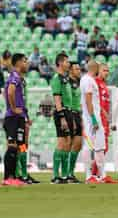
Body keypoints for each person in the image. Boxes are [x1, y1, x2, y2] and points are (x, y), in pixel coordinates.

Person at [2, 53, 30, 186]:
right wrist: (12, 108)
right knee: (12, 145)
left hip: (19, 117)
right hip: (13, 117)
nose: (27, 64)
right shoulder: (14, 76)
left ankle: (17, 175)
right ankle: (8, 177)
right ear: (18, 63)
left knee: (21, 146)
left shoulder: (19, 78)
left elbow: (6, 92)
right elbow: (10, 91)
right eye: (25, 61)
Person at [81, 60, 105, 184]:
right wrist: (93, 118)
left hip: (94, 116)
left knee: (97, 146)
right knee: (89, 145)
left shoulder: (89, 80)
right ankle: (88, 175)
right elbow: (88, 101)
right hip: (90, 118)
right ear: (95, 68)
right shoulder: (88, 80)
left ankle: (100, 175)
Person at [50, 53, 72, 184]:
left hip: (67, 111)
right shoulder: (56, 78)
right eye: (66, 62)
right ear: (60, 63)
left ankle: (64, 175)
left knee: (67, 142)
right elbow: (57, 99)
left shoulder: (64, 78)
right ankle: (55, 176)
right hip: (61, 112)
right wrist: (62, 117)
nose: (68, 64)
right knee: (61, 142)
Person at [67, 62, 82, 183]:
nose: (79, 70)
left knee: (78, 144)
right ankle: (65, 173)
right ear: (70, 71)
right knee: (67, 143)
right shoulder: (67, 82)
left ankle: (70, 172)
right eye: (76, 69)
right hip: (70, 113)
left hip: (77, 113)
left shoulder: (79, 82)